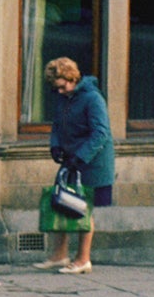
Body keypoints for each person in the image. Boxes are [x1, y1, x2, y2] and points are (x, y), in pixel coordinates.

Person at [39, 55, 114, 273]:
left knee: (83, 209)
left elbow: (101, 133)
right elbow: (57, 124)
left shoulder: (92, 98)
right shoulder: (66, 98)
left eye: (62, 87)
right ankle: (59, 256)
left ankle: (83, 260)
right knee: (62, 203)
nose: (60, 92)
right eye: (56, 89)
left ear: (72, 78)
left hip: (92, 162)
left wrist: (80, 157)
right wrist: (55, 145)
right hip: (71, 159)